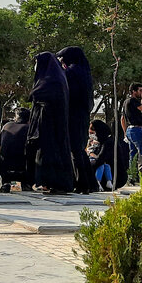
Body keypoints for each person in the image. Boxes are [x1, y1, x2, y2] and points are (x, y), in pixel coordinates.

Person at [27, 52, 75, 193]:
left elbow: (36, 95)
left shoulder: (51, 81)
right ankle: (49, 183)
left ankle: (55, 183)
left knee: (51, 153)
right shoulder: (57, 77)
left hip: (50, 124)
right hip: (52, 124)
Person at [57, 46, 95, 194]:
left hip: (72, 114)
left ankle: (81, 184)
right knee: (80, 150)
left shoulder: (71, 72)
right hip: (83, 115)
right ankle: (89, 183)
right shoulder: (84, 72)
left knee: (74, 150)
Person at [0, 108, 31, 193]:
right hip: (23, 169)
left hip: (5, 169)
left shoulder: (7, 126)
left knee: (0, 158)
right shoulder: (29, 129)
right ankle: (26, 184)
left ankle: (6, 183)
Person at [91, 119, 129, 191]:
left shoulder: (109, 143)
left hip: (116, 176)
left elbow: (100, 160)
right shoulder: (104, 142)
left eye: (93, 130)